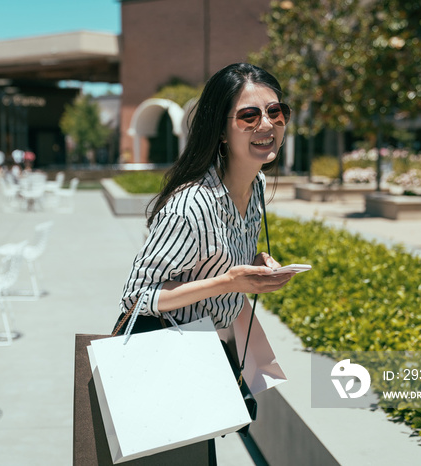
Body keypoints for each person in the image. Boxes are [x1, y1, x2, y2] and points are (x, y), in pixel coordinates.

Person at [116, 63, 297, 461]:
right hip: (166, 367)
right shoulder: (191, 205)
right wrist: (229, 281)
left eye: (276, 112)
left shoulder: (257, 187)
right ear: (221, 129)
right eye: (249, 116)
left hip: (209, 363)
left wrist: (254, 263)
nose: (266, 125)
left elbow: (214, 258)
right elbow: (135, 298)